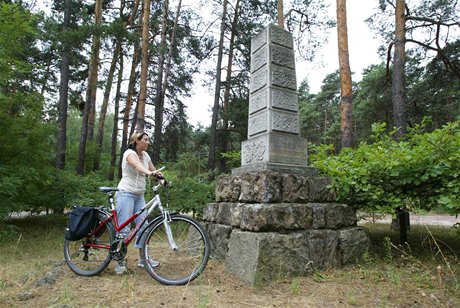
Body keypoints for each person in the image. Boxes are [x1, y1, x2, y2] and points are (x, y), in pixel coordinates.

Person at [115, 131, 163, 274]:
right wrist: (149, 173)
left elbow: (154, 170)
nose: (148, 142)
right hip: (126, 194)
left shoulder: (146, 156)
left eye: (148, 140)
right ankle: (120, 262)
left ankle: (143, 259)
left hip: (139, 196)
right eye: (146, 140)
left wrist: (161, 178)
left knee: (144, 227)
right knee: (124, 230)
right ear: (137, 141)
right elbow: (137, 165)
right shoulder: (129, 153)